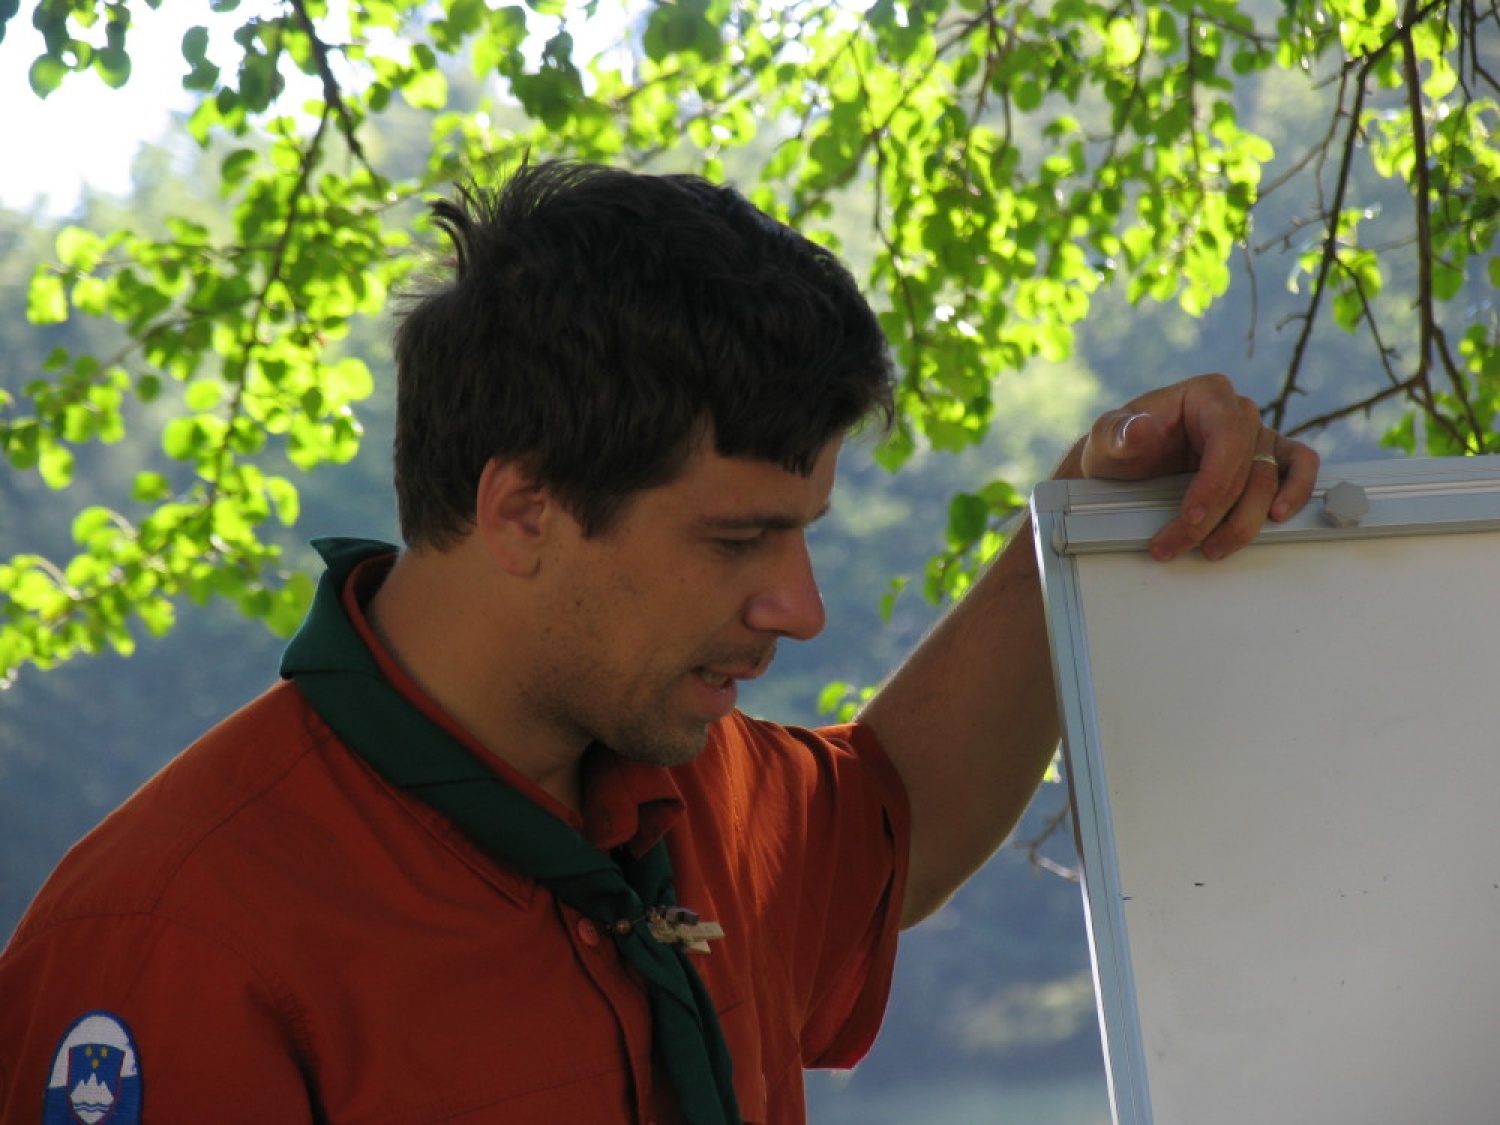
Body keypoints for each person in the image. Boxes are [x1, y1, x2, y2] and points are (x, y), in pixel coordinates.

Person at [0, 161, 1318, 1125]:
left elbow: (897, 826)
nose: (799, 606)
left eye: (803, 532)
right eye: (740, 539)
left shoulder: (688, 783)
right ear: (525, 509)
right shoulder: (172, 941)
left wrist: (1090, 510)